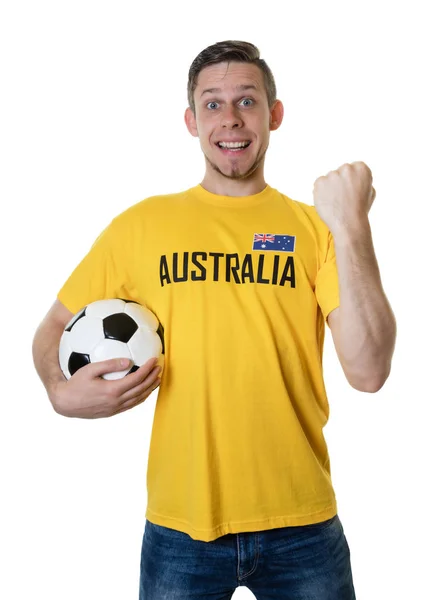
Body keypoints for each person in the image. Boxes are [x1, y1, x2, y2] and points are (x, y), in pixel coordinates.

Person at [32, 40, 397, 599]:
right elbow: (53, 326)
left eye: (247, 101)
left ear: (275, 114)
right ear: (190, 120)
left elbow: (369, 372)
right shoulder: (142, 225)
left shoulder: (317, 229)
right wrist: (59, 392)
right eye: (212, 103)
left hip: (302, 523)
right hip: (181, 527)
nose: (230, 118)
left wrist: (351, 226)